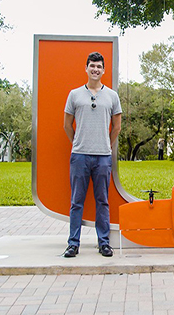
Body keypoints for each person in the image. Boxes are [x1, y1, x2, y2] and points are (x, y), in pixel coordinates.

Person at [63, 52, 122, 258]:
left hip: (103, 157)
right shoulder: (74, 94)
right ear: (86, 68)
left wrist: (106, 144)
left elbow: (116, 127)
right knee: (76, 201)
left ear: (103, 70)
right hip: (79, 155)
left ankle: (104, 243)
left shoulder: (112, 96)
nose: (95, 69)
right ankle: (73, 244)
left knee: (102, 201)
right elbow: (67, 124)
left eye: (99, 66)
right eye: (92, 66)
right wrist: (78, 142)